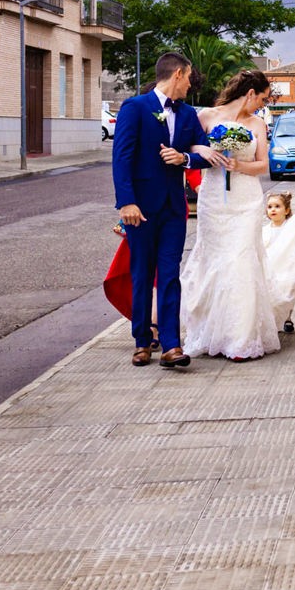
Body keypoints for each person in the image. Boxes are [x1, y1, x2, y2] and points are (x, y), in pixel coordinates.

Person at [111, 52, 227, 369]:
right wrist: (126, 202)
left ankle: (172, 346)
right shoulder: (135, 108)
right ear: (177, 74)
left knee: (170, 275)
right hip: (141, 209)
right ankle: (141, 341)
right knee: (141, 274)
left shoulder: (188, 114)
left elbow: (204, 153)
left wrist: (184, 159)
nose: (191, 84)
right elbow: (121, 158)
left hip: (175, 209)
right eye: (189, 77)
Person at [180, 69, 280, 362]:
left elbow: (263, 165)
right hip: (214, 198)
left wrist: (239, 166)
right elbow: (190, 146)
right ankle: (211, 332)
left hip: (245, 199)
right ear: (250, 93)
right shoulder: (207, 117)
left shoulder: (258, 124)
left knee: (242, 259)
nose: (262, 104)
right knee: (214, 259)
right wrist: (209, 152)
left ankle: (241, 337)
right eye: (261, 98)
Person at [263, 192, 295, 333]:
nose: (273, 210)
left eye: (277, 206)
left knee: (288, 293)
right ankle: (275, 318)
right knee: (273, 294)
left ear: (286, 210)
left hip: (287, 267)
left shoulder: (291, 228)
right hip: (271, 268)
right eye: (270, 207)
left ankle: (287, 318)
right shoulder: (264, 230)